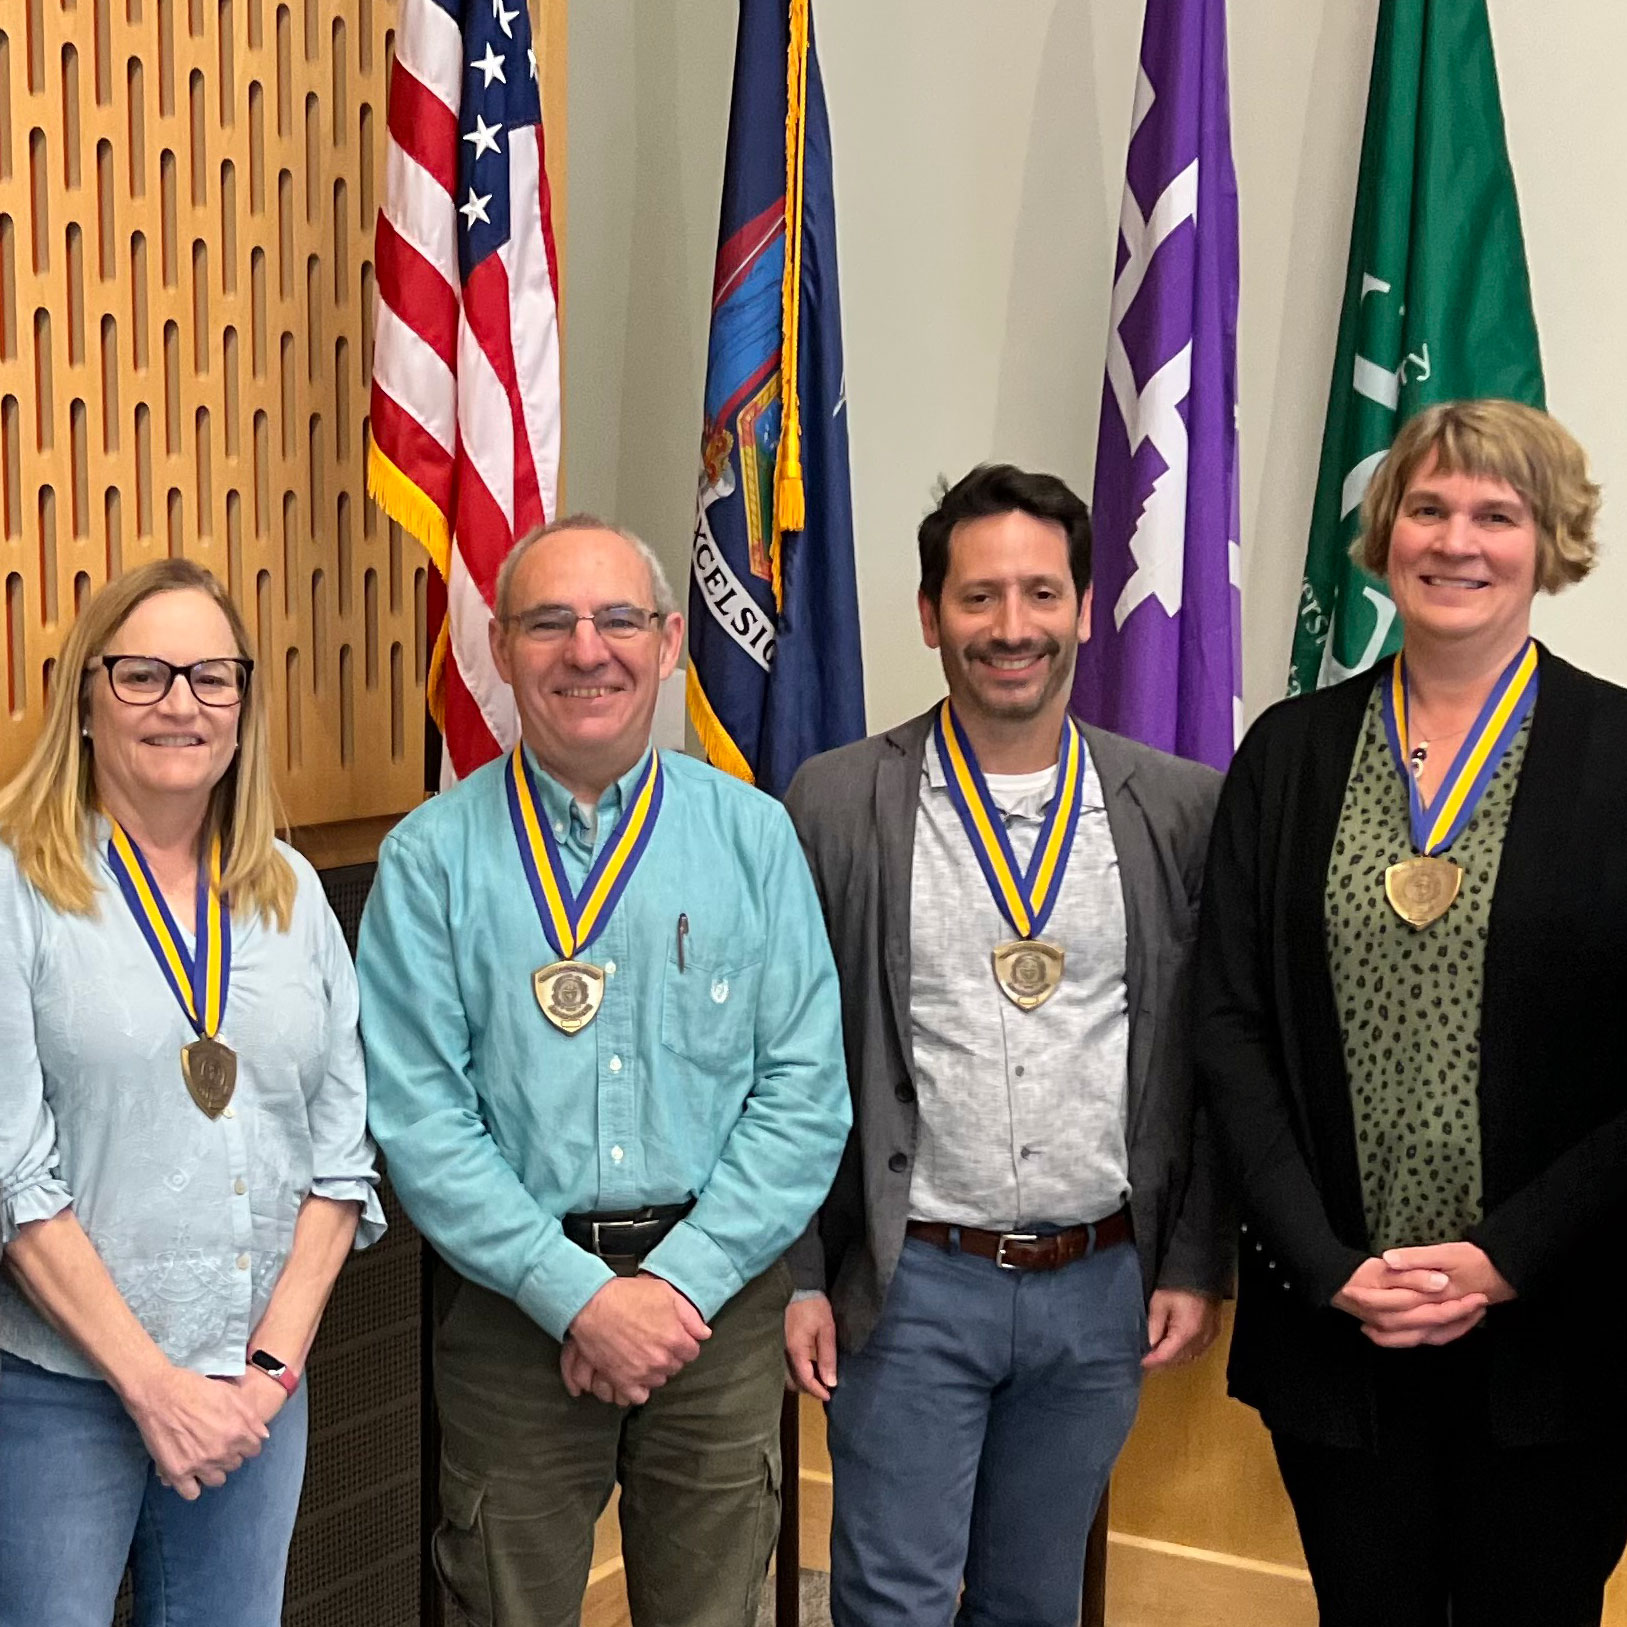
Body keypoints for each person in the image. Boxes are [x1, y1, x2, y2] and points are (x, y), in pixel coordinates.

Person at [357, 514, 850, 1627]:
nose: (588, 650)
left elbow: (805, 1092)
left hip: (713, 1317)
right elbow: (420, 1119)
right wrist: (576, 1298)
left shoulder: (754, 839)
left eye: (619, 618)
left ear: (671, 638)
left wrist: (673, 1290)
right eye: (549, 622)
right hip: (510, 1310)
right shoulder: (429, 859)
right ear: (498, 641)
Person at [1196, 399, 1627, 1626]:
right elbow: (1228, 1024)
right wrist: (1329, 1266)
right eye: (1427, 508)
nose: (1457, 539)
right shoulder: (1287, 753)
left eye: (1497, 513)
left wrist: (1505, 1258)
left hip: (1564, 1327)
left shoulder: (1617, 751)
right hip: (1344, 1321)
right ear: (1384, 535)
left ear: (1549, 542)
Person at [782, 463, 1230, 1627]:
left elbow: (1206, 1052)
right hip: (910, 1277)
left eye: (1040, 594)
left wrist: (1187, 1259)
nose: (1011, 627)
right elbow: (780, 1057)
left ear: (1085, 607)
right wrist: (796, 1277)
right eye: (978, 598)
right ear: (929, 615)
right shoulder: (834, 805)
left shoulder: (1177, 809)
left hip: (1098, 1287)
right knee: (892, 1603)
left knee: (1034, 1604)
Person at [0, 558, 385, 1627]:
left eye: (212, 677)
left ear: (242, 706)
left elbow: (340, 1159)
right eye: (143, 675)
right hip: (58, 1393)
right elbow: (12, 1179)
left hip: (254, 1397)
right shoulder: (16, 886)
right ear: (85, 699)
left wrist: (264, 1372)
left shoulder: (291, 891)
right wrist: (155, 1387)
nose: (181, 703)